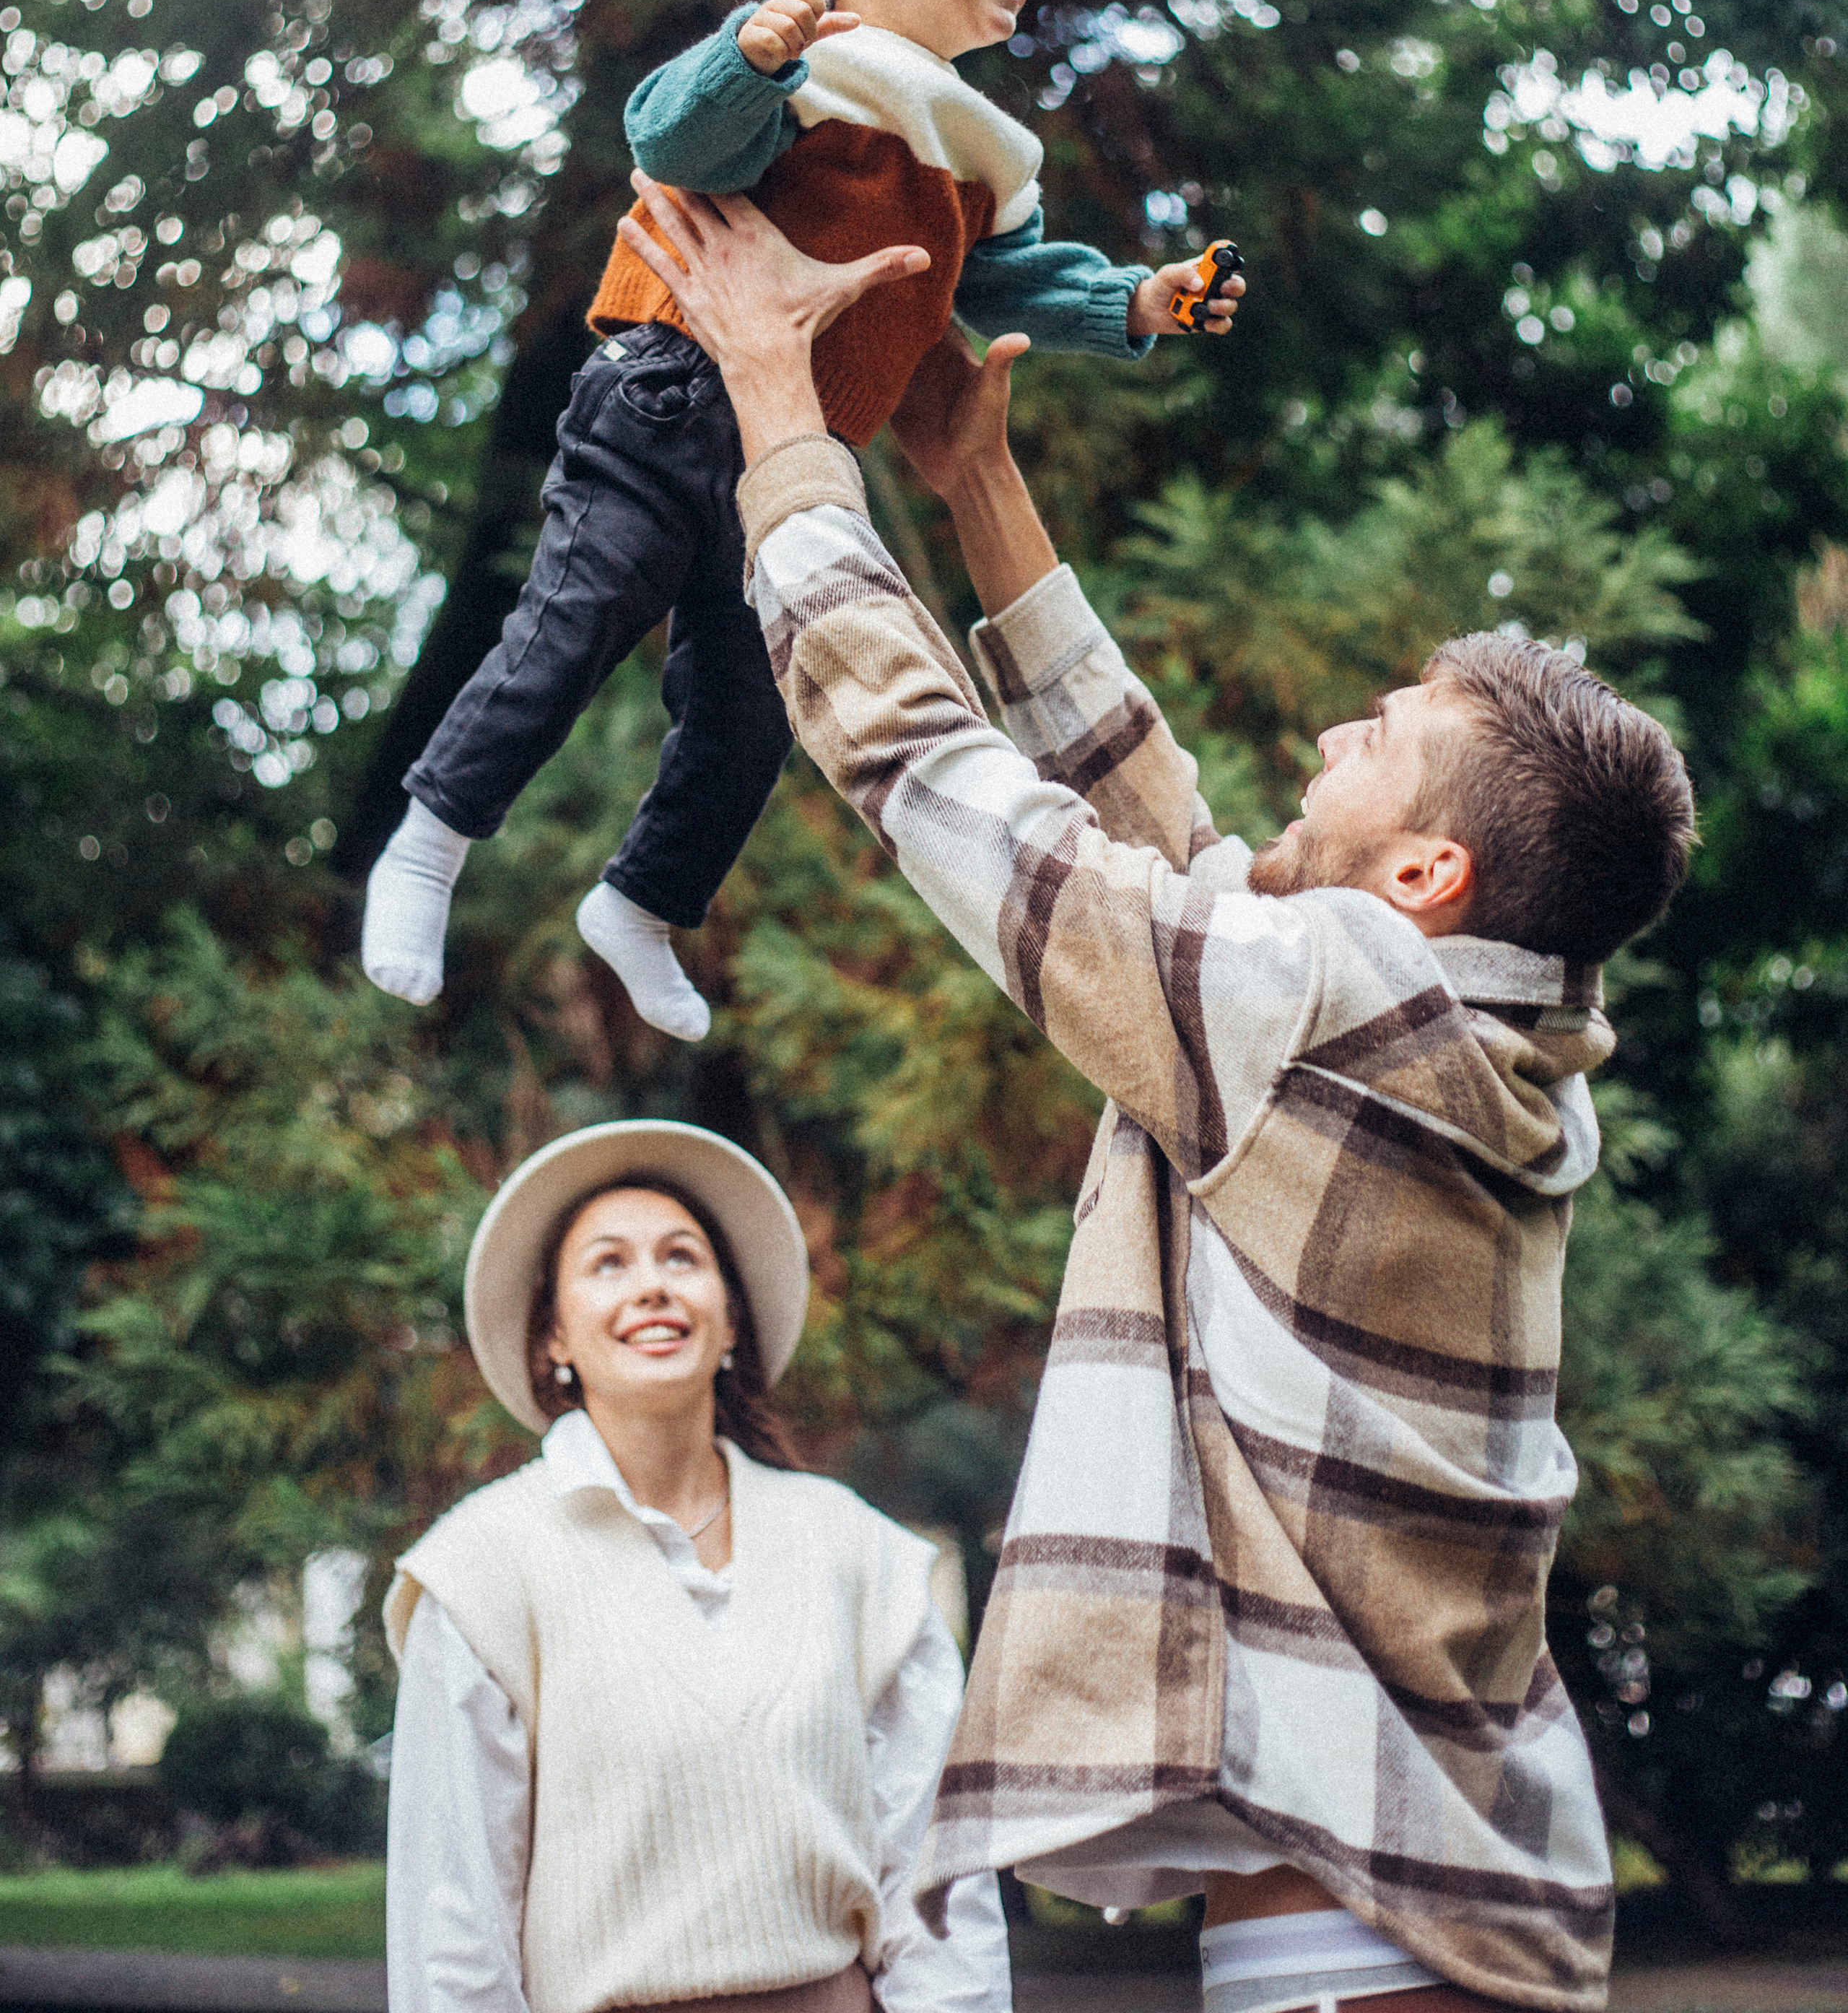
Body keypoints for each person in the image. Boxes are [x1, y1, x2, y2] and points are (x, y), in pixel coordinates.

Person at [614, 179, 1699, 2013]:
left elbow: (937, 777)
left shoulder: (1320, 1010)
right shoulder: (1455, 1031)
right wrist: (978, 486)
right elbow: (1181, 855)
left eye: (1381, 733)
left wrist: (776, 405)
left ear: (1424, 874)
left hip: (1367, 1945)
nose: (1339, 727)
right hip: (1411, 1908)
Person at [361, 0, 1240, 1042]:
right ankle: (431, 839)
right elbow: (676, 139)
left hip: (792, 462)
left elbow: (1005, 283)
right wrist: (753, 59)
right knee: (578, 620)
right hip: (671, 394)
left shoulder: (984, 150)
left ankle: (643, 902)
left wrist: (1137, 302)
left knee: (756, 711)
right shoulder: (814, 59)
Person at [384, 1118, 1012, 2013]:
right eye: (608, 1264)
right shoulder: (483, 1570)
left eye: (681, 1257)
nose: (652, 1286)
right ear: (553, 1337)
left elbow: (939, 1891)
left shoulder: (857, 1554)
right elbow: (453, 1937)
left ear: (730, 1323)